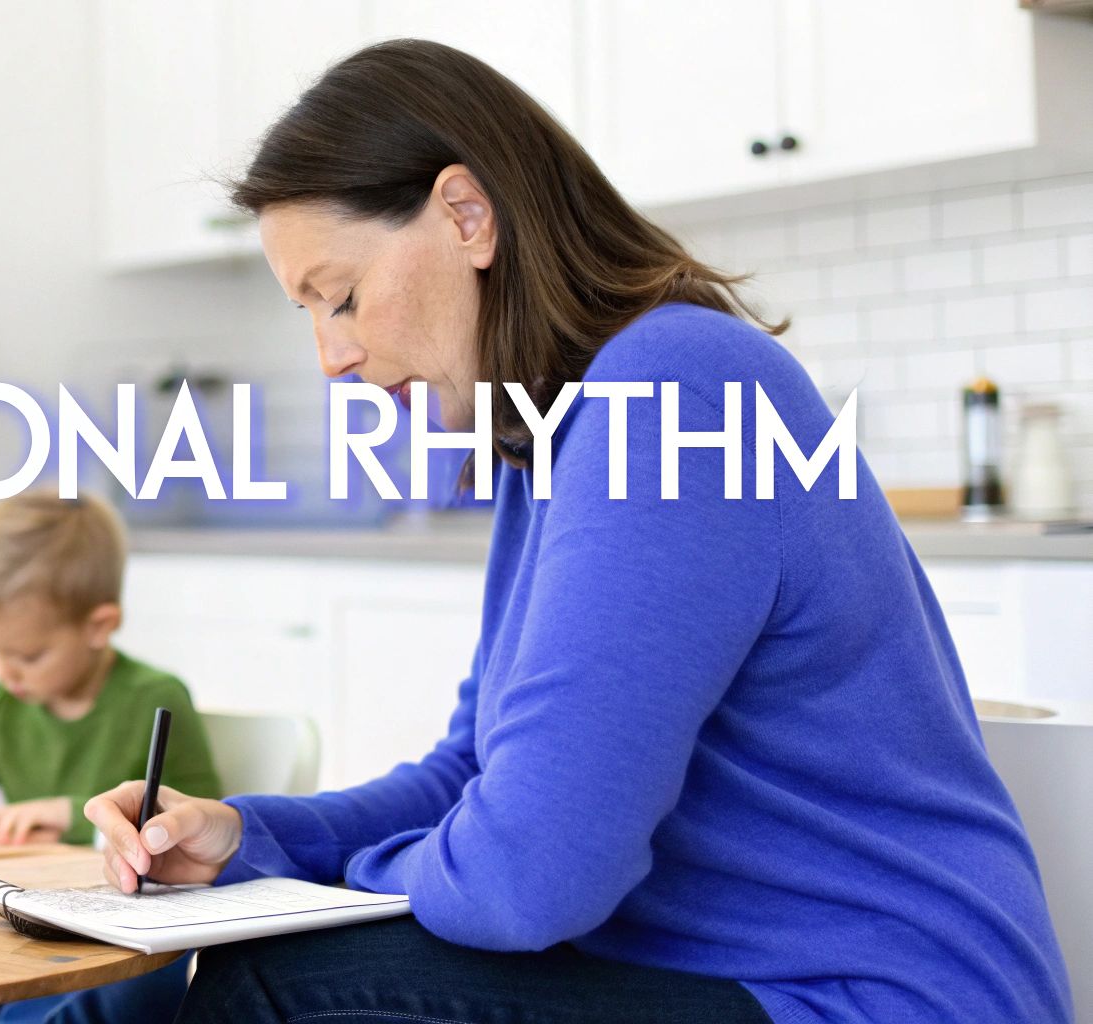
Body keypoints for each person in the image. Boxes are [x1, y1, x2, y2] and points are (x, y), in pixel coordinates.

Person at [85, 39, 1071, 1024]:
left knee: (269, 984)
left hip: (864, 998)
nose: (330, 356)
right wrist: (247, 839)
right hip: (710, 982)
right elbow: (472, 777)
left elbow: (525, 877)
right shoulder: (553, 437)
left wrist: (355, 880)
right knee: (185, 975)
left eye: (340, 297)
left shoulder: (677, 391)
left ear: (466, 216)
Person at [0, 490, 220, 1024]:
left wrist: (69, 814)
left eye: (27, 655)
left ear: (99, 625)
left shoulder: (154, 697)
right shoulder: (9, 702)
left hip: (125, 945)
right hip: (27, 927)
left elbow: (197, 819)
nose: (7, 672)